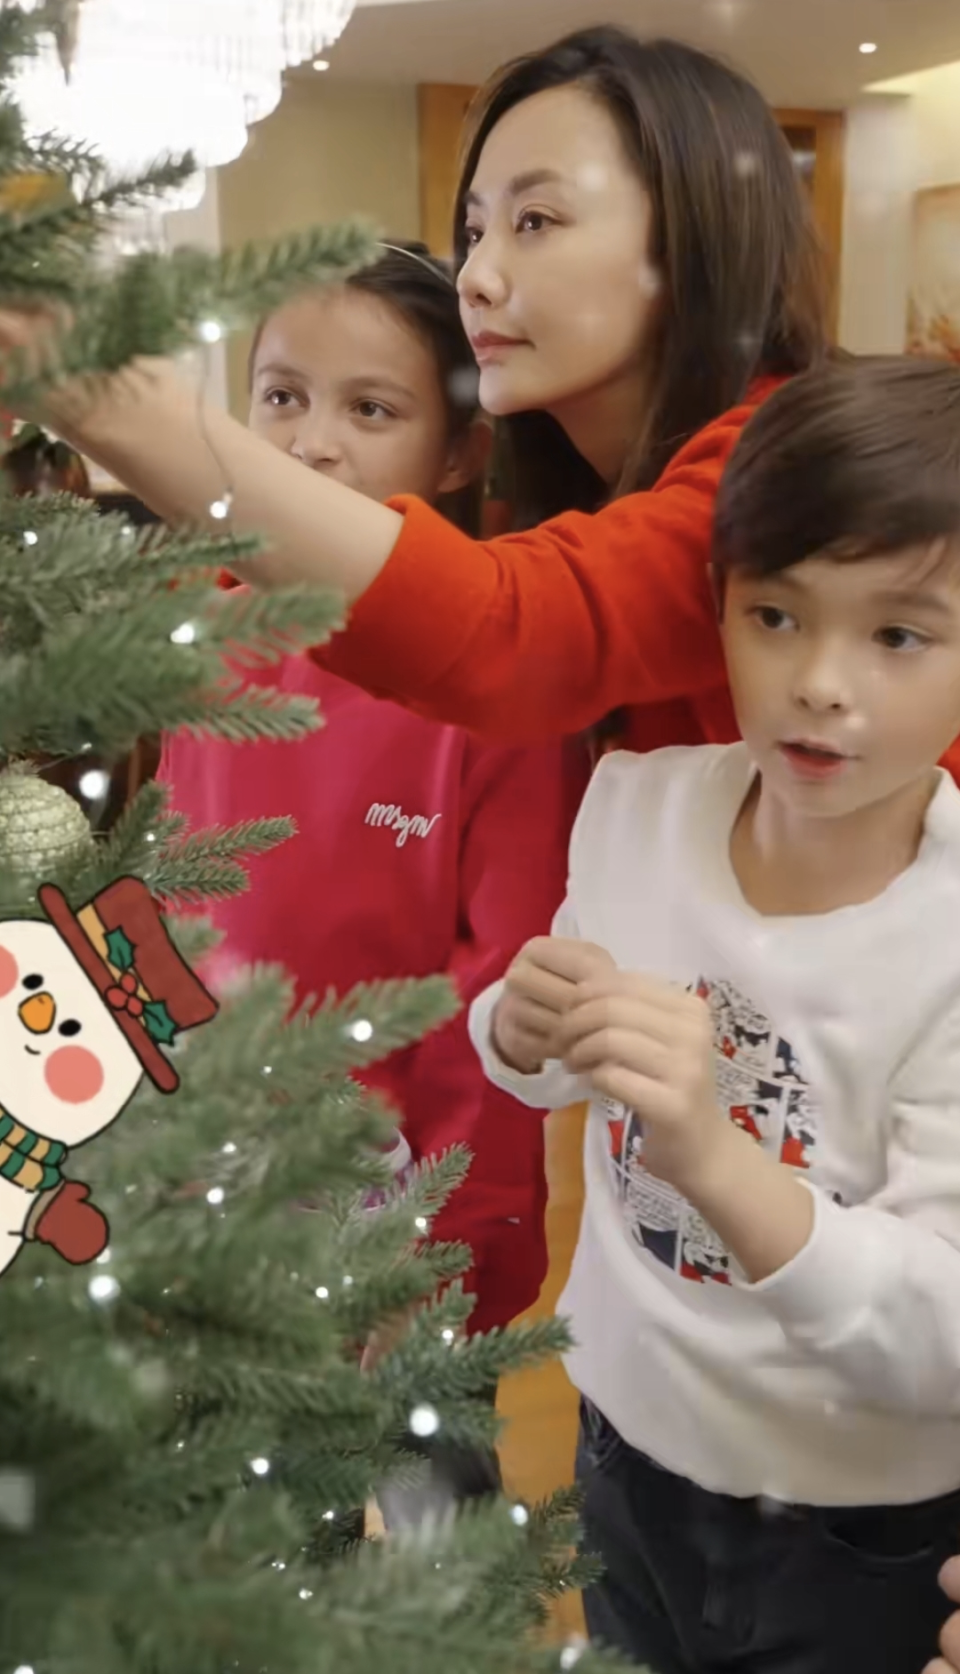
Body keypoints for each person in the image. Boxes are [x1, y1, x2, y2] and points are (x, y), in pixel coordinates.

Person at [468, 356, 960, 1674]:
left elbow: (943, 1337)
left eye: (899, 633)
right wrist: (519, 1033)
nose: (821, 682)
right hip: (622, 1431)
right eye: (776, 615)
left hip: (848, 1522)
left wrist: (717, 1155)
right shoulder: (637, 802)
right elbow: (562, 1068)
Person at [9, 26, 879, 771]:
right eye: (474, 231)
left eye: (535, 222)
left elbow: (509, 636)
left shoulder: (799, 465)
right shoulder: (587, 489)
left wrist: (109, 397)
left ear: (690, 237)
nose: (480, 277)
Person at [159, 244, 589, 1502]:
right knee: (250, 1527)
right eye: (281, 396)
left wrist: (441, 1258)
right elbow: (171, 891)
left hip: (397, 1209)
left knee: (426, 1534)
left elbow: (497, 1000)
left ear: (458, 453)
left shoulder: (497, 686)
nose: (312, 445)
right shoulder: (207, 630)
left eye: (371, 409)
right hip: (212, 1172)